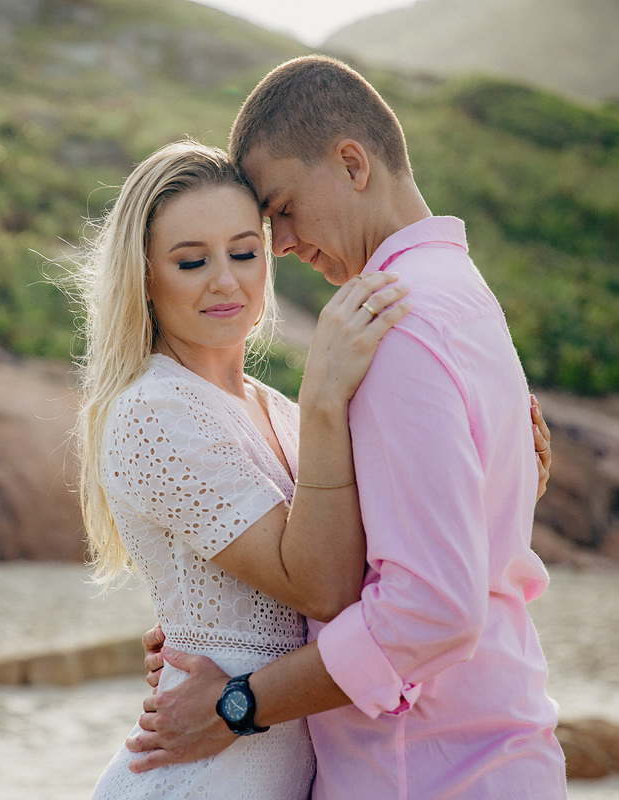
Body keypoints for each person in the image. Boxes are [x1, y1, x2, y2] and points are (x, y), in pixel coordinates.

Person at [126, 56, 568, 799]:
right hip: (491, 755)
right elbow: (432, 534)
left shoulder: (390, 324)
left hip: (428, 772)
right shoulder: (462, 294)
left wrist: (239, 704)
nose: (284, 244)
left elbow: (429, 609)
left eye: (284, 210)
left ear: (353, 164)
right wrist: (219, 637)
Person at [75, 139, 414, 799]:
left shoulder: (274, 411)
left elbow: (379, 561)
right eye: (191, 261)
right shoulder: (156, 410)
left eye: (243, 252)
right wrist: (324, 402)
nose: (225, 280)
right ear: (144, 276)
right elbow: (318, 585)